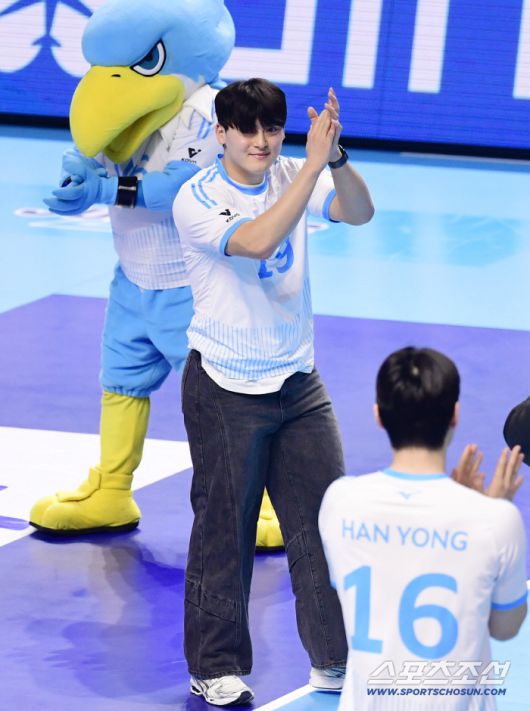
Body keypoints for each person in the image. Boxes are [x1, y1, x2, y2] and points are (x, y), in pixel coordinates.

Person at [28, 0, 282, 549]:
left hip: (193, 283)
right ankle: (111, 488)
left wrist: (105, 190)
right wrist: (81, 174)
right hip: (132, 278)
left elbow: (180, 188)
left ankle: (259, 498)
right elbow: (101, 151)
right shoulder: (120, 93)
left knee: (220, 396)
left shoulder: (209, 108)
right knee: (121, 382)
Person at [172, 78, 374, 705]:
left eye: (273, 129)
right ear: (221, 133)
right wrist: (310, 167)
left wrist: (334, 159)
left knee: (323, 523)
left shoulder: (293, 171)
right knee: (224, 531)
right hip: (224, 387)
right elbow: (257, 242)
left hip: (297, 381)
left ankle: (334, 659)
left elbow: (360, 212)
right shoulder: (197, 198)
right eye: (248, 130)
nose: (262, 142)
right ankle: (214, 665)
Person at [319, 346, 528, 711]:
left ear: (378, 415)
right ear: (455, 415)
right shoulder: (494, 520)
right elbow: (505, 627)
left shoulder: (339, 503)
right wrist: (486, 509)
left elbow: (390, 570)